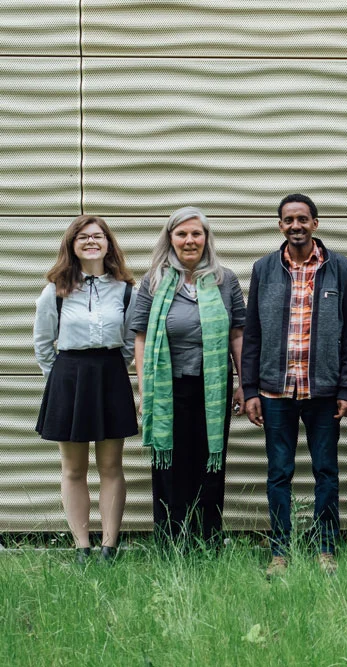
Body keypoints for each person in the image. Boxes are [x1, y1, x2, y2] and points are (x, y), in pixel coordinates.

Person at [242, 193, 347, 576]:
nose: (296, 225)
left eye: (303, 219)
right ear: (280, 225)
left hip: (323, 393)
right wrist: (249, 390)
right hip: (275, 392)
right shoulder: (264, 269)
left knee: (326, 471)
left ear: (315, 223)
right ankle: (280, 552)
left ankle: (326, 549)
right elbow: (253, 334)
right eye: (289, 219)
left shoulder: (342, 269)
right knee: (279, 473)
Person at [130, 207, 245, 545]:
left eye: (196, 233)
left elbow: (238, 334)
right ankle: (171, 542)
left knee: (209, 464)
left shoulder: (225, 280)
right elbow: (140, 337)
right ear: (170, 239)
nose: (189, 240)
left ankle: (207, 540)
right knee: (170, 467)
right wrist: (144, 390)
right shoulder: (153, 281)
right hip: (168, 387)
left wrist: (243, 384)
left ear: (206, 238)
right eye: (181, 234)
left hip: (214, 387)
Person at [34, 214, 137, 564]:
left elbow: (130, 342)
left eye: (97, 236)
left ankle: (109, 546)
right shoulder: (54, 291)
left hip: (110, 376)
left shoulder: (126, 289)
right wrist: (62, 380)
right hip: (69, 377)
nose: (91, 241)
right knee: (73, 468)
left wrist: (112, 370)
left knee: (111, 466)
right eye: (83, 237)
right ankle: (82, 546)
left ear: (108, 244)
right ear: (72, 245)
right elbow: (43, 344)